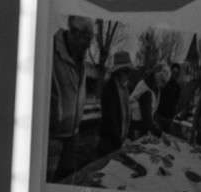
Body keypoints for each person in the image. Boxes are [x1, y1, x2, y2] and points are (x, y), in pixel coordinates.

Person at [48, 16, 94, 181]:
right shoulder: (50, 51)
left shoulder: (79, 54)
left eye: (91, 40)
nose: (88, 45)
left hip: (73, 134)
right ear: (73, 32)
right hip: (52, 136)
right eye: (86, 39)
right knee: (48, 180)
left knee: (67, 179)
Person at [99, 52, 136, 155]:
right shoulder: (110, 88)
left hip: (120, 139)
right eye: (127, 71)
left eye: (129, 71)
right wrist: (119, 144)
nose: (129, 74)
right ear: (119, 71)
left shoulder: (124, 88)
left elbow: (129, 112)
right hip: (110, 142)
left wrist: (130, 135)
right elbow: (110, 118)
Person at [154, 62, 183, 133]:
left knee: (166, 136)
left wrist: (173, 115)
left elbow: (176, 102)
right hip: (159, 115)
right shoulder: (164, 82)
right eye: (173, 72)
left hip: (169, 117)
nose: (174, 75)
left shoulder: (177, 87)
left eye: (176, 73)